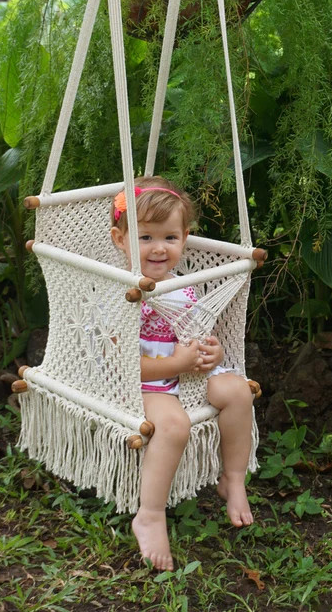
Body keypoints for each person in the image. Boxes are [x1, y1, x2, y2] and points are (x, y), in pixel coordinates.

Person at [110, 175, 255, 571]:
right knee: (174, 425)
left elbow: (197, 333)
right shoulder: (116, 292)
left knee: (238, 392)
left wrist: (213, 351)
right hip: (145, 379)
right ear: (120, 239)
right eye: (145, 238)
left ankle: (234, 479)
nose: (159, 248)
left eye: (170, 238)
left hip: (185, 370)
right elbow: (117, 361)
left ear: (184, 238)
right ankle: (150, 514)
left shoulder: (184, 286)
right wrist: (177, 363)